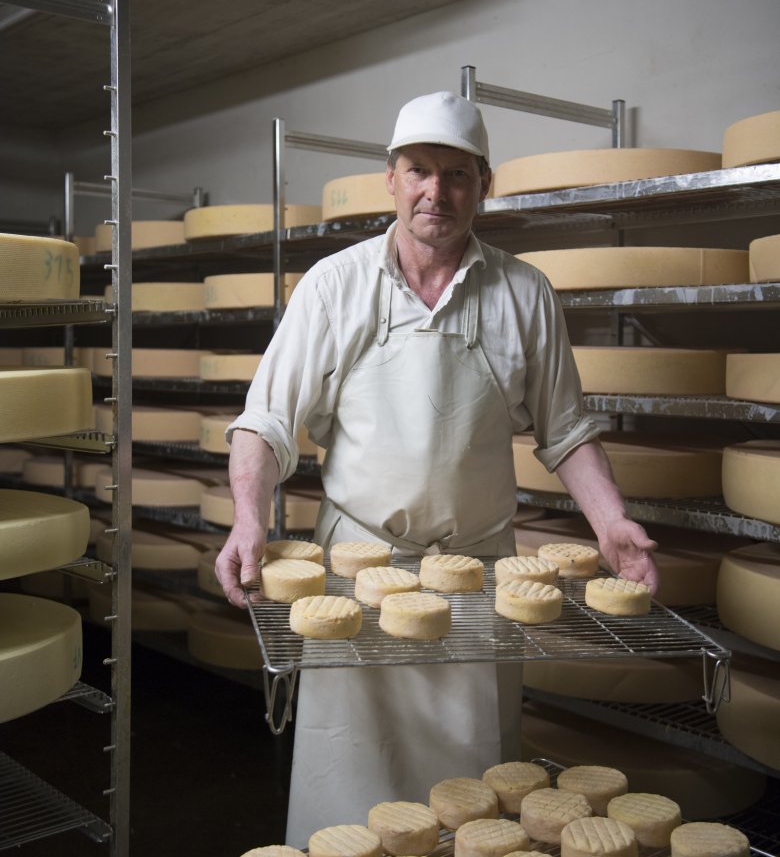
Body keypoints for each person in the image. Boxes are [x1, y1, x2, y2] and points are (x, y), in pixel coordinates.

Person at [216, 90, 658, 844]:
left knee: (472, 795)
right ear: (391, 179)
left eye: (457, 175)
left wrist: (611, 519)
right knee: (348, 783)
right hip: (355, 583)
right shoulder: (334, 285)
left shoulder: (524, 292)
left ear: (484, 185)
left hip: (477, 579)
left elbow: (566, 428)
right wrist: (250, 518)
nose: (436, 191)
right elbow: (266, 421)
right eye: (419, 170)